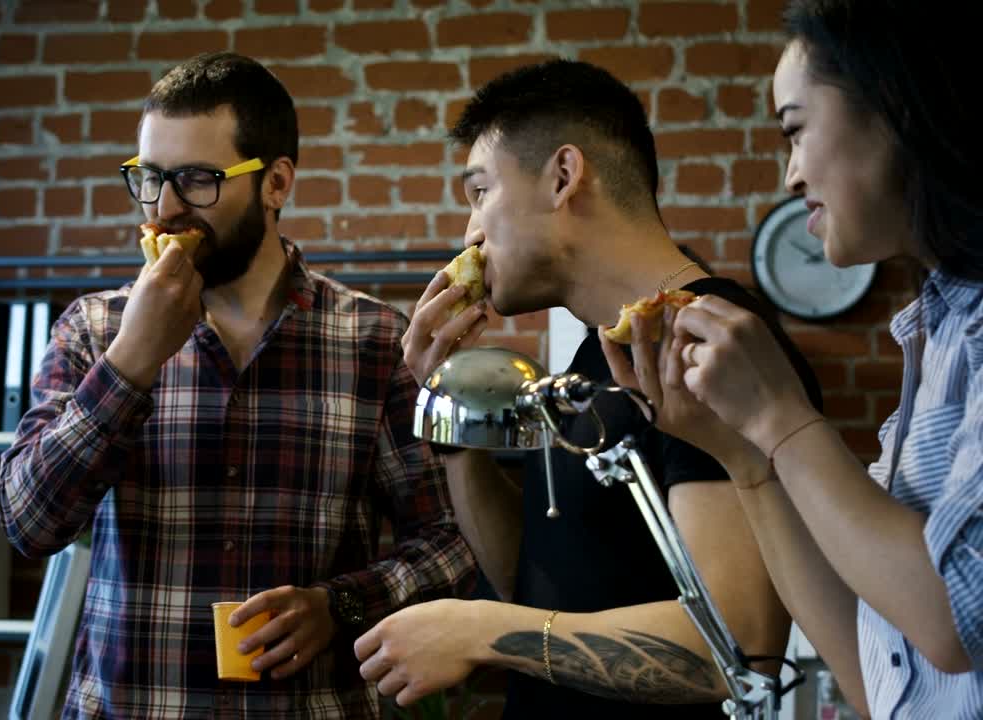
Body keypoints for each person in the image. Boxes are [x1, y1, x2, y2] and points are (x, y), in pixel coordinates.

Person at [0, 52, 475, 720]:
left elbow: (451, 543)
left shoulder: (371, 340)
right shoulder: (95, 329)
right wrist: (133, 360)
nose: (163, 208)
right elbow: (28, 522)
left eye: (195, 179)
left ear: (276, 183)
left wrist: (339, 604)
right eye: (149, 178)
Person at [354, 59, 821, 717]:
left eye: (480, 191)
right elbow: (532, 583)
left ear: (564, 177)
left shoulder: (706, 346)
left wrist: (479, 631)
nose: (471, 233)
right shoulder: (598, 354)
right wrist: (456, 423)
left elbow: (734, 649)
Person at [616, 1, 983, 717]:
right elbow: (873, 668)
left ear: (898, 109)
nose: (788, 176)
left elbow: (951, 621)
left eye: (795, 130)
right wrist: (742, 450)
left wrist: (781, 415)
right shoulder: (935, 333)